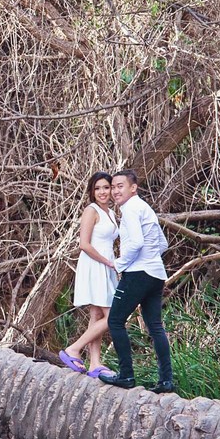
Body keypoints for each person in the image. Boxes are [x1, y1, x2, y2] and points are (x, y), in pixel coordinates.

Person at [102, 168, 173, 392]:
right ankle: (166, 381)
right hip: (156, 274)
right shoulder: (145, 208)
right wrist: (150, 260)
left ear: (133, 188)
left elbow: (137, 243)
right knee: (155, 326)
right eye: (112, 187)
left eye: (119, 186)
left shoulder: (131, 208)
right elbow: (163, 244)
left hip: (138, 273)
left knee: (115, 320)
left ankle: (126, 375)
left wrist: (119, 264)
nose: (115, 191)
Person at [58, 172, 120, 378]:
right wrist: (107, 262)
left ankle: (95, 363)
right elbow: (84, 244)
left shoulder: (110, 212)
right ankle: (73, 349)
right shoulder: (91, 210)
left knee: (96, 315)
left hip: (107, 266)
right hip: (95, 265)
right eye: (98, 188)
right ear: (92, 192)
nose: (102, 192)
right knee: (113, 316)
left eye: (106, 187)